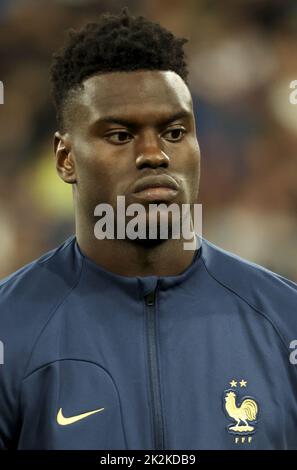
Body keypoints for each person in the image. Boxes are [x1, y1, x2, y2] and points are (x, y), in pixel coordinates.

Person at [0, 7, 297, 450]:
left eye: (175, 132)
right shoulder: (10, 328)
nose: (154, 155)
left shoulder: (284, 320)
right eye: (120, 135)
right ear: (65, 158)